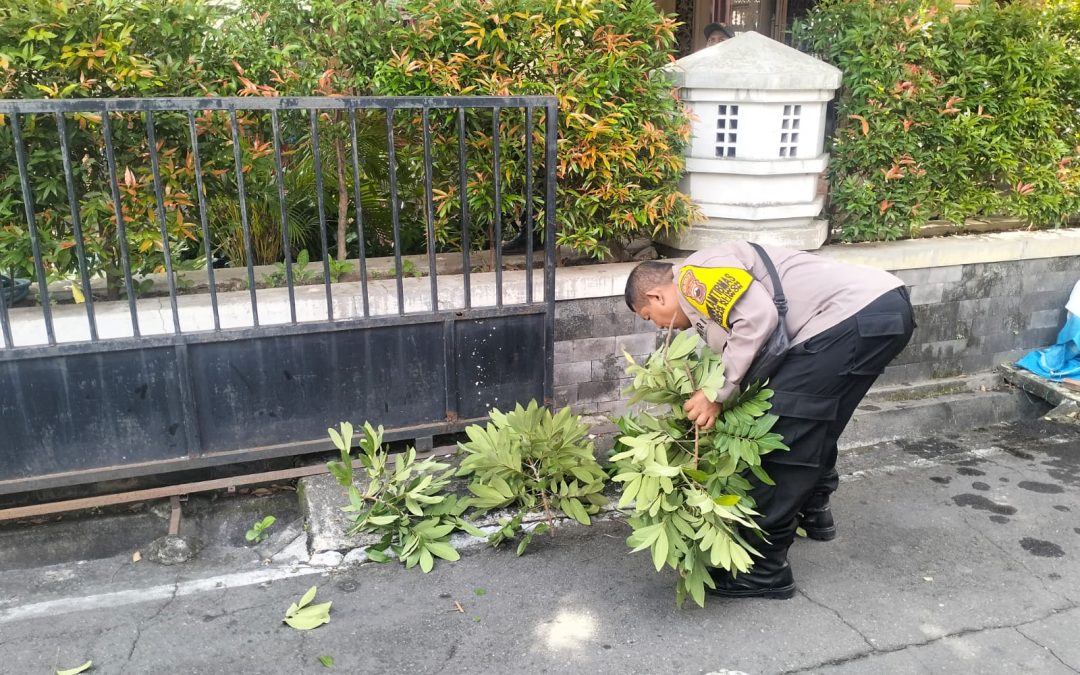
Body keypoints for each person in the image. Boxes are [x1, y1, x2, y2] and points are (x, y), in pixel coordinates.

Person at [624, 241, 915, 599]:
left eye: (649, 317)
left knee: (783, 439)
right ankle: (814, 510)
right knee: (817, 421)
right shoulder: (708, 288)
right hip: (879, 311)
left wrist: (718, 394)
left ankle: (764, 570)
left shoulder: (692, 278)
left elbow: (759, 318)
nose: (659, 328)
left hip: (850, 319)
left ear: (656, 297)